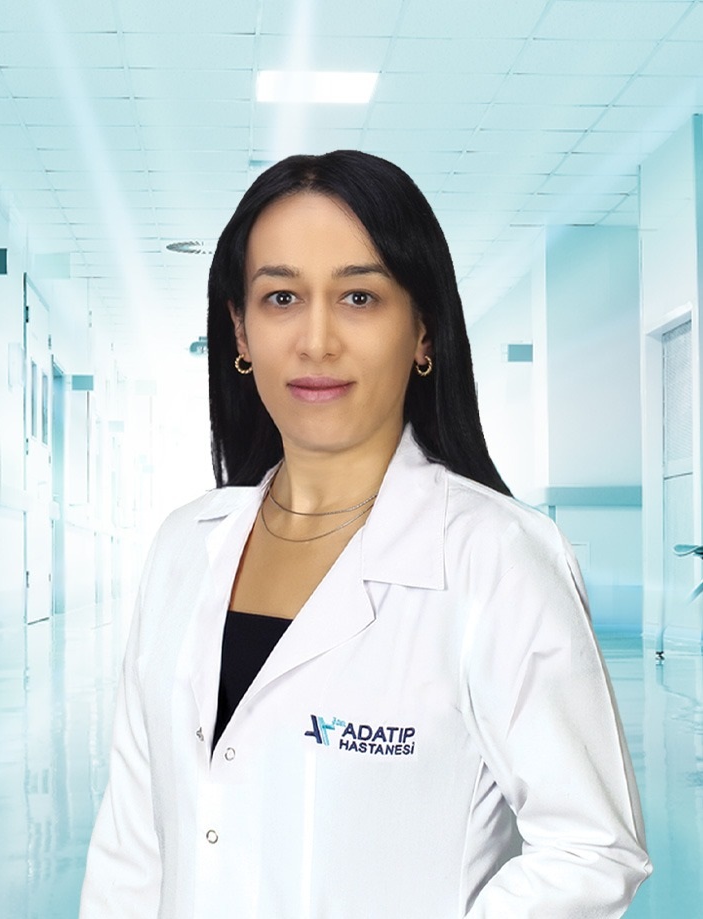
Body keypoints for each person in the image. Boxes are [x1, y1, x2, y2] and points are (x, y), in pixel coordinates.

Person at [79, 150, 651, 918]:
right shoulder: (186, 544)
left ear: (423, 331)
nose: (316, 340)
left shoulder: (493, 555)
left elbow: (590, 850)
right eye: (281, 296)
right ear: (239, 331)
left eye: (358, 296)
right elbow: (132, 839)